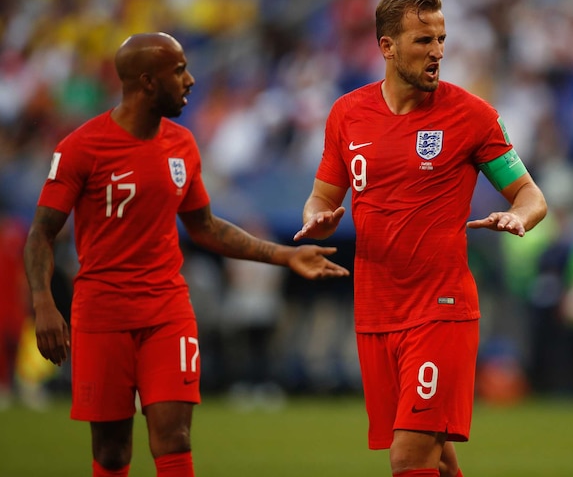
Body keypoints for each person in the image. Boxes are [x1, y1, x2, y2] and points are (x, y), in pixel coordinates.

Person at [23, 32, 350, 477]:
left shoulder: (181, 145)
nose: (190, 80)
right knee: (113, 451)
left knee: (174, 438)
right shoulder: (82, 147)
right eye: (178, 71)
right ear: (147, 82)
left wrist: (284, 255)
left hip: (167, 311)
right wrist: (43, 302)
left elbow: (206, 227)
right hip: (102, 314)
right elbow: (41, 233)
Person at [293, 0, 547, 477]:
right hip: (375, 310)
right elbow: (322, 197)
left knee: (409, 456)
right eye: (422, 41)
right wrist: (317, 217)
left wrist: (519, 216)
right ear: (387, 47)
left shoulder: (472, 115)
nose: (436, 52)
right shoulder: (347, 114)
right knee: (437, 457)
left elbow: (531, 196)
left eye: (441, 39)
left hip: (441, 310)